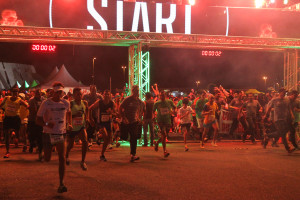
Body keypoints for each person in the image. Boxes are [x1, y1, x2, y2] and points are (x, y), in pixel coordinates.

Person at [36, 82, 72, 193]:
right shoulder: (46, 103)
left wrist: (69, 123)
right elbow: (38, 120)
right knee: (47, 159)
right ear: (52, 92)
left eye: (60, 92)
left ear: (62, 92)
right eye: (56, 92)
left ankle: (61, 183)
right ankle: (43, 153)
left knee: (62, 157)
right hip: (47, 133)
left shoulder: (66, 103)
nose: (58, 94)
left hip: (60, 133)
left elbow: (69, 113)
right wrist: (46, 124)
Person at [264, 88, 295, 153]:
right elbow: (269, 108)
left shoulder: (287, 100)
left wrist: (292, 115)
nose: (284, 93)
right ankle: (288, 148)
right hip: (278, 119)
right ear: (280, 92)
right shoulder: (274, 100)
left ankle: (267, 135)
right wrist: (266, 116)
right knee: (283, 134)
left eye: (285, 92)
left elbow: (289, 108)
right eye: (283, 92)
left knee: (282, 132)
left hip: (285, 119)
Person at [0, 87, 29, 158]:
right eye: (14, 93)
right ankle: (7, 151)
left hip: (16, 119)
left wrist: (28, 107)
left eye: (16, 93)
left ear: (18, 94)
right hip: (7, 118)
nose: (15, 95)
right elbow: (1, 106)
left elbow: (27, 106)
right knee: (6, 135)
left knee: (18, 136)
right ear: (11, 93)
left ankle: (15, 136)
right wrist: (3, 111)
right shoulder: (6, 98)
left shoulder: (19, 100)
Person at [119, 85, 144, 162]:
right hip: (126, 122)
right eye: (135, 90)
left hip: (134, 122)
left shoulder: (139, 101)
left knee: (134, 137)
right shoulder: (128, 99)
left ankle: (133, 155)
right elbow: (120, 107)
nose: (136, 92)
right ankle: (117, 132)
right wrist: (123, 118)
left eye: (137, 90)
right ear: (132, 91)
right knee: (124, 137)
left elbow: (142, 109)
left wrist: (140, 117)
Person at [89, 90, 116, 162]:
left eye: (108, 94)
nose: (107, 96)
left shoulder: (112, 103)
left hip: (108, 123)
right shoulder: (99, 102)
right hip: (101, 123)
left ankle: (102, 154)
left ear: (110, 95)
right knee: (106, 135)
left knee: (108, 139)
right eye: (105, 94)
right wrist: (90, 118)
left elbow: (116, 114)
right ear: (103, 95)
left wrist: (111, 113)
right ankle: (99, 135)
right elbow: (90, 108)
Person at [66, 87, 88, 170]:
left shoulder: (84, 103)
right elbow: (67, 114)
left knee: (85, 141)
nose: (79, 96)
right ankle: (66, 155)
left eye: (80, 94)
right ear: (74, 96)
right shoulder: (71, 103)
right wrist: (73, 119)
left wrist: (88, 119)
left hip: (81, 126)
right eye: (77, 94)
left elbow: (87, 111)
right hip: (72, 128)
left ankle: (83, 161)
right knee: (71, 145)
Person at [153, 91, 176, 157]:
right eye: (161, 96)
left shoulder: (169, 102)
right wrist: (154, 118)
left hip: (168, 120)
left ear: (165, 96)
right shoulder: (157, 103)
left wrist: (173, 111)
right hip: (160, 120)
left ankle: (157, 143)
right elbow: (153, 111)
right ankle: (165, 151)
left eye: (163, 95)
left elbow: (174, 107)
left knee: (164, 136)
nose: (162, 97)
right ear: (159, 96)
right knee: (164, 134)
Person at [83, 85, 102, 150]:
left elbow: (103, 103)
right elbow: (82, 104)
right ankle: (89, 141)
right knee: (89, 128)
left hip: (97, 114)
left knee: (99, 128)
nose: (94, 91)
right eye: (93, 90)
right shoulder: (86, 96)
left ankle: (98, 138)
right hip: (88, 114)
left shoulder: (99, 96)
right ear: (90, 90)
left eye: (95, 90)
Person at [28, 89, 44, 160]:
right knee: (31, 135)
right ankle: (32, 144)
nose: (38, 95)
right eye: (37, 93)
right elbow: (34, 110)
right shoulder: (31, 100)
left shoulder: (44, 100)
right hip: (32, 120)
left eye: (39, 93)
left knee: (40, 136)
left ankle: (40, 152)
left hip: (40, 121)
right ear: (34, 94)